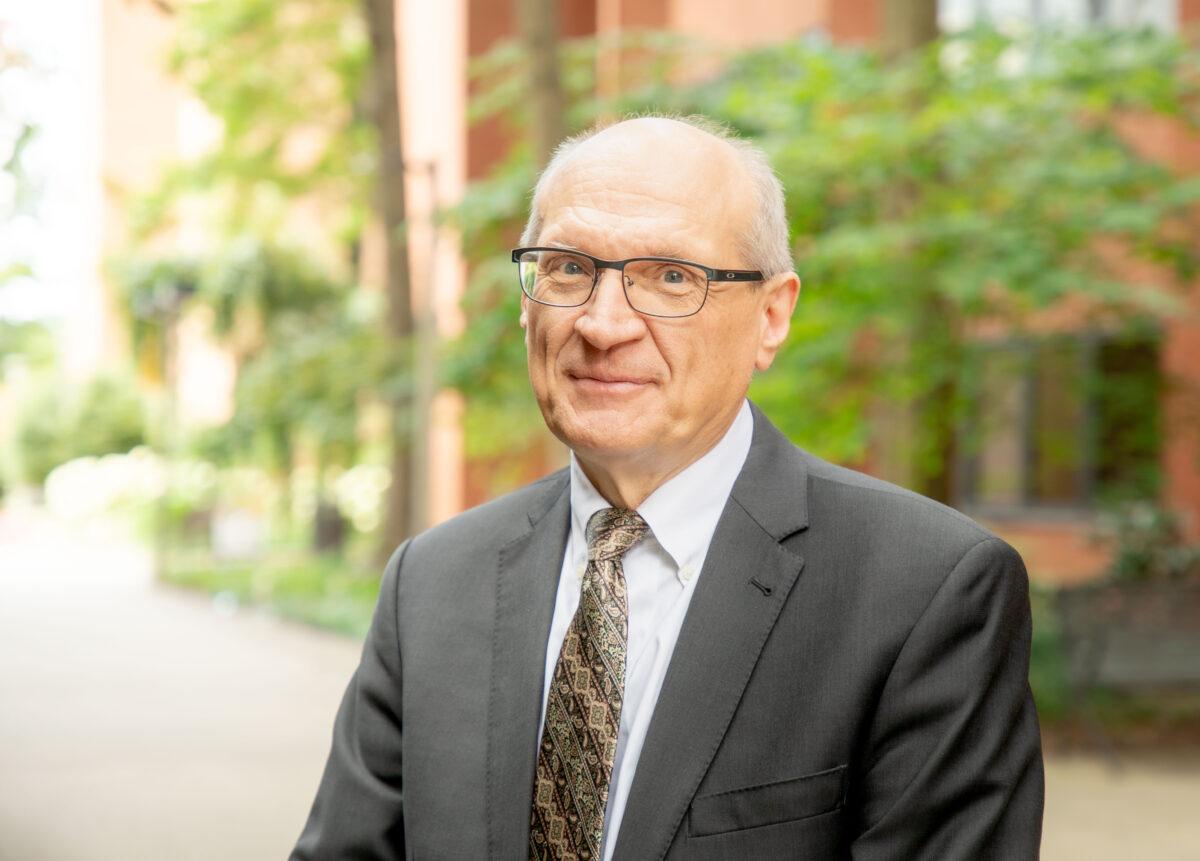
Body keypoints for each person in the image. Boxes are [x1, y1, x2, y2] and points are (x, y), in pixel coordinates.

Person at [292, 115, 1044, 860]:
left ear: (771, 315)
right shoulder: (432, 580)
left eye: (673, 276)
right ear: (526, 300)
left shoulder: (927, 589)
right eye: (568, 268)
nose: (603, 322)